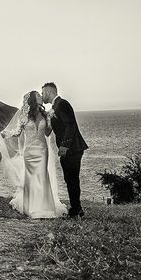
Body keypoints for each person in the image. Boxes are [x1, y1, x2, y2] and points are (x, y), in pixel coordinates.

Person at [0, 91, 67, 219]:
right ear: (34, 100)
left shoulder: (45, 115)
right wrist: (7, 134)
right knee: (31, 179)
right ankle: (31, 207)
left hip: (42, 150)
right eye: (39, 96)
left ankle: (44, 207)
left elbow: (47, 133)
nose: (41, 97)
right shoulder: (23, 117)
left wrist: (51, 120)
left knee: (42, 177)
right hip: (29, 152)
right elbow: (18, 132)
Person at [41, 82, 88, 218]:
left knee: (72, 179)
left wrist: (64, 147)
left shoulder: (62, 104)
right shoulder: (55, 107)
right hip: (69, 150)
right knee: (70, 179)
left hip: (72, 149)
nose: (42, 95)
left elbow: (70, 126)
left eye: (43, 92)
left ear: (49, 92)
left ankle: (76, 210)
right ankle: (76, 209)